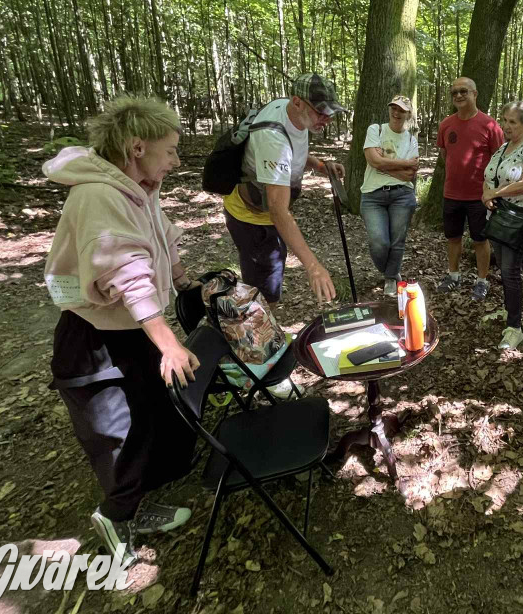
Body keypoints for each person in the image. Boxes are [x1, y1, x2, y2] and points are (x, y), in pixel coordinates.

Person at [43, 96, 203, 569]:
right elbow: (127, 272)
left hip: (133, 328)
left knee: (156, 416)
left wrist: (186, 280)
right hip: (94, 339)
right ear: (137, 147)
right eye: (170, 150)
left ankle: (138, 505)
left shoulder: (139, 187)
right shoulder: (99, 195)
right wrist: (169, 341)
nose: (175, 160)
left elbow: (161, 238)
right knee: (121, 435)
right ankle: (115, 521)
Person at [222, 73, 348, 308]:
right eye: (321, 111)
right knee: (264, 294)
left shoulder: (290, 113)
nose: (327, 118)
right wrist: (313, 266)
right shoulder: (273, 138)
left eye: (331, 112)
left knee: (269, 282)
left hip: (263, 213)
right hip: (253, 220)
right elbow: (278, 210)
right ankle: (262, 339)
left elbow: (291, 152)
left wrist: (320, 166)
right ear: (297, 101)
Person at [481, 101, 523, 349]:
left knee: (510, 270)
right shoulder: (503, 148)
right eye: (504, 120)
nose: (506, 126)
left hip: (522, 215)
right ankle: (509, 312)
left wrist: (493, 193)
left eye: (512, 122)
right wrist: (486, 195)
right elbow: (487, 178)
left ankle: (515, 327)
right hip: (499, 215)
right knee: (503, 267)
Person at [437, 77, 505, 301]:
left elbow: (499, 159)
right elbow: (445, 153)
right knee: (453, 237)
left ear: (475, 94)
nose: (458, 95)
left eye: (463, 91)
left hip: (480, 196)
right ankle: (453, 275)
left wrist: (491, 190)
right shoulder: (446, 124)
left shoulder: (489, 125)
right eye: (454, 92)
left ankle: (482, 280)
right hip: (451, 193)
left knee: (479, 239)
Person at [359, 95, 419, 295]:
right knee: (379, 242)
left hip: (402, 195)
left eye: (401, 110)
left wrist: (382, 162)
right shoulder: (375, 130)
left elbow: (410, 174)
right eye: (393, 108)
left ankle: (391, 278)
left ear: (408, 114)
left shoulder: (411, 139)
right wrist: (401, 164)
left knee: (397, 241)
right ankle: (390, 270)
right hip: (372, 195)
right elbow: (373, 161)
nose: (396, 113)